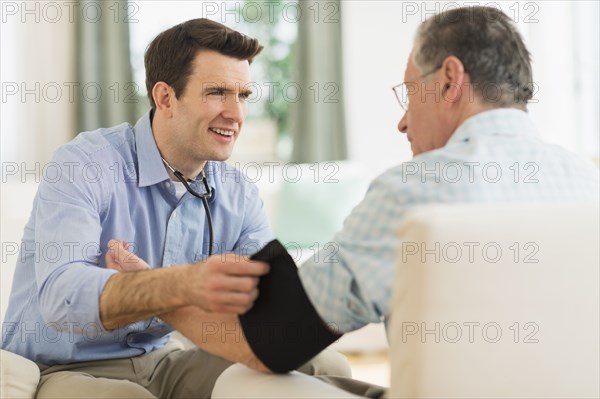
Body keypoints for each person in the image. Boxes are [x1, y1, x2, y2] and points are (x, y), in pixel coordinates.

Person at [105, 5, 599, 387]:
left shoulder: (415, 189)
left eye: (409, 94)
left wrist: (156, 288)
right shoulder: (585, 182)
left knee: (248, 383)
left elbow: (273, 344)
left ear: (450, 80)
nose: (402, 121)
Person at [1, 18, 350, 399]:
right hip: (67, 366)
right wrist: (182, 284)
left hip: (164, 360)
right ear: (165, 97)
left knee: (327, 366)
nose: (236, 114)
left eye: (244, 95)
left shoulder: (238, 194)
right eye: (217, 92)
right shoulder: (85, 164)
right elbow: (61, 296)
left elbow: (261, 310)